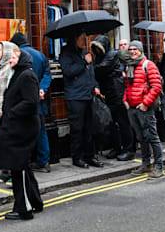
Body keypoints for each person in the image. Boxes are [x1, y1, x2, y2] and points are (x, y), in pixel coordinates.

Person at [0, 47, 43, 220]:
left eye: (14, 57)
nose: (11, 59)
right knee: (23, 166)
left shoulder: (26, 76)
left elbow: (31, 102)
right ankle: (35, 201)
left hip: (23, 129)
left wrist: (11, 112)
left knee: (18, 167)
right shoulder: (19, 75)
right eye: (11, 56)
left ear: (22, 60)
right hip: (18, 127)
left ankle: (24, 209)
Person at [122, 40, 164, 180]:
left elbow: (156, 87)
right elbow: (127, 86)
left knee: (152, 136)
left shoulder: (148, 65)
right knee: (141, 137)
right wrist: (125, 100)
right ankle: (146, 164)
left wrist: (146, 103)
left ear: (141, 50)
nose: (133, 51)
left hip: (144, 108)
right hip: (132, 108)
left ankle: (159, 167)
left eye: (135, 49)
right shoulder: (129, 66)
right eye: (131, 49)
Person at [11, 32, 52, 173]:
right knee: (40, 131)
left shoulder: (17, 56)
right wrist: (42, 89)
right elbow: (47, 74)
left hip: (23, 100)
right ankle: (44, 161)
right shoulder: (40, 55)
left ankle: (25, 163)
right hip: (38, 100)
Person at [59, 32, 101, 169]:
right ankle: (77, 157)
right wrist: (84, 62)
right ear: (74, 39)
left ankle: (90, 156)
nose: (84, 41)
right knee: (77, 129)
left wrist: (95, 86)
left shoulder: (84, 53)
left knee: (89, 128)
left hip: (87, 95)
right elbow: (69, 72)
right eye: (82, 38)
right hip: (75, 96)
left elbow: (90, 72)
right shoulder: (66, 54)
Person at [92, 35, 135, 161]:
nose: (97, 51)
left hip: (117, 92)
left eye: (98, 48)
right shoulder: (100, 56)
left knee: (123, 122)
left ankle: (129, 149)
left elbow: (100, 69)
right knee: (112, 123)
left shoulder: (112, 55)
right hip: (108, 92)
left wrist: (88, 64)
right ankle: (117, 148)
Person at [0, 41, 17, 185]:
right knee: (2, 143)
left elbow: (8, 92)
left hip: (5, 113)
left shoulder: (9, 69)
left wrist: (1, 109)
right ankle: (5, 172)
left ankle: (13, 174)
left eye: (0, 50)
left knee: (8, 143)